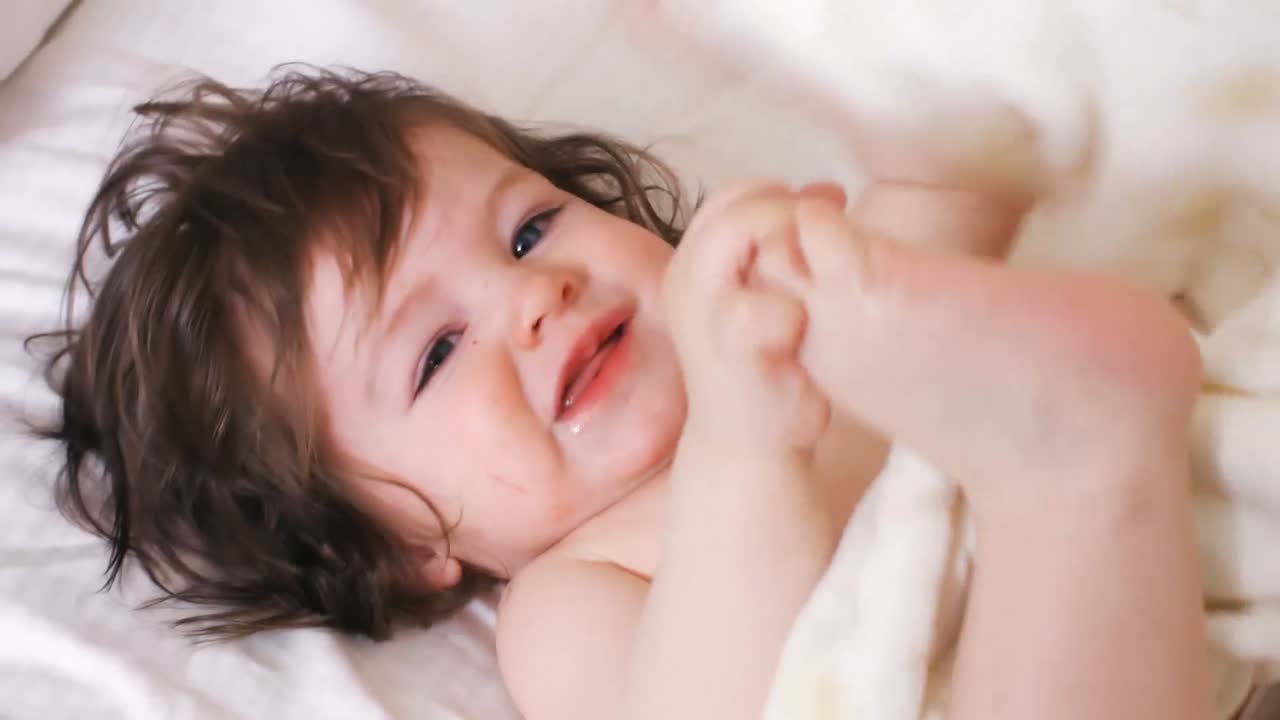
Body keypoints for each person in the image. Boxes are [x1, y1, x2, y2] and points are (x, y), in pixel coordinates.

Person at [43, 67, 1213, 719]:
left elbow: (949, 197)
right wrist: (743, 457)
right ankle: (1080, 468)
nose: (535, 298)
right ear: (400, 549)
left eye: (529, 227)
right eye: (435, 354)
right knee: (1081, 453)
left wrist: (940, 145)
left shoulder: (795, 313)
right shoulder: (571, 599)